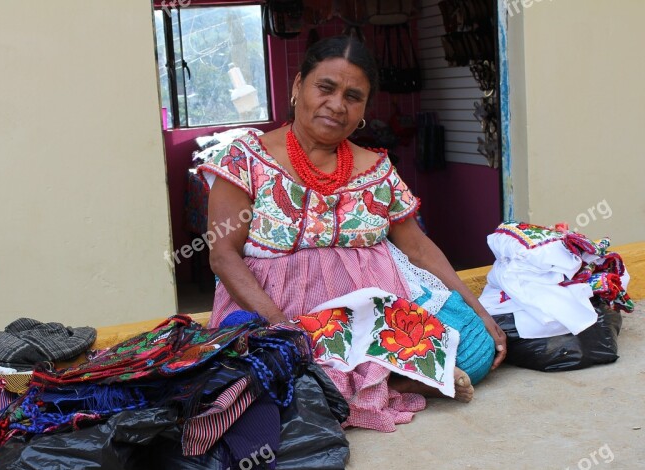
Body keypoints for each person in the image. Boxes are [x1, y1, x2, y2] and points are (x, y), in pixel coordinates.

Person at [198, 35, 506, 428]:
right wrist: (281, 325)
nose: (337, 105)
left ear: (363, 108)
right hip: (279, 307)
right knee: (270, 383)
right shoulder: (245, 158)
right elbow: (222, 255)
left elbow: (419, 249)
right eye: (325, 88)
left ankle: (386, 375)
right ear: (297, 87)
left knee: (478, 352)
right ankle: (393, 378)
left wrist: (480, 310)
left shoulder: (376, 167)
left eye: (353, 96)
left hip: (373, 311)